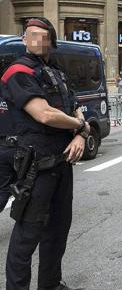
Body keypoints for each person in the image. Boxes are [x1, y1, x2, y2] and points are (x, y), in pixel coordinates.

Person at [2, 17, 90, 290]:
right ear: (24, 39)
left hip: (62, 161)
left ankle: (50, 283)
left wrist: (80, 134)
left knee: (58, 229)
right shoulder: (18, 71)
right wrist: (81, 126)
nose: (38, 39)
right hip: (36, 166)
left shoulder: (56, 72)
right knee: (28, 235)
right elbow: (44, 114)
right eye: (32, 35)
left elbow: (74, 105)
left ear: (51, 40)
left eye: (44, 35)